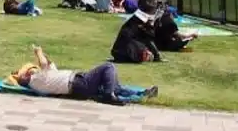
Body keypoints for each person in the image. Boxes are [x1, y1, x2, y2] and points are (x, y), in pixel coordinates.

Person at [14, 45, 158, 106]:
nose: (30, 70)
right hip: (78, 83)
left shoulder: (43, 78)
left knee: (116, 86)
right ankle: (109, 95)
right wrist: (38, 52)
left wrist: (42, 55)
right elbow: (44, 64)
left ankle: (142, 94)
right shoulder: (36, 81)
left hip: (78, 85)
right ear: (26, 78)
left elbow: (49, 64)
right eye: (26, 72)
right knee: (108, 67)